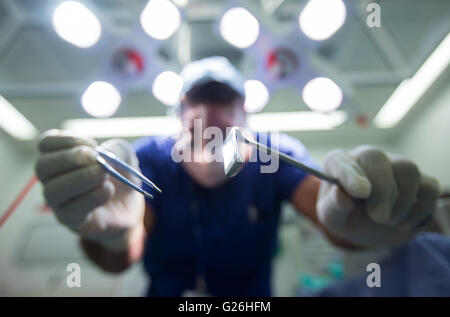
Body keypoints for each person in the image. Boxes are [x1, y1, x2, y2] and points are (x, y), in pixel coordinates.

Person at [34, 56, 440, 296]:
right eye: (197, 102)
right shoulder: (147, 159)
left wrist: (361, 216)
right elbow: (123, 254)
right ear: (179, 114)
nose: (209, 114)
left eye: (223, 102)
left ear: (246, 113)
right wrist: (114, 235)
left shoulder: (275, 154)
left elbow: (326, 207)